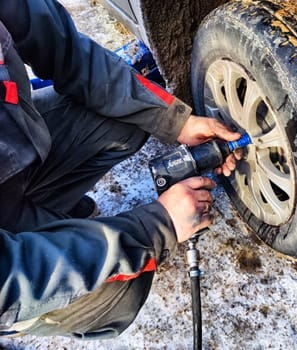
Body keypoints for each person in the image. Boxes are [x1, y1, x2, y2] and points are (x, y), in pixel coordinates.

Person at [0, 0, 240, 338]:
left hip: (13, 162)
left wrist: (175, 120)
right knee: (119, 288)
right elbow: (10, 279)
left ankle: (49, 212)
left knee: (124, 114)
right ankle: (25, 321)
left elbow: (69, 52)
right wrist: (156, 227)